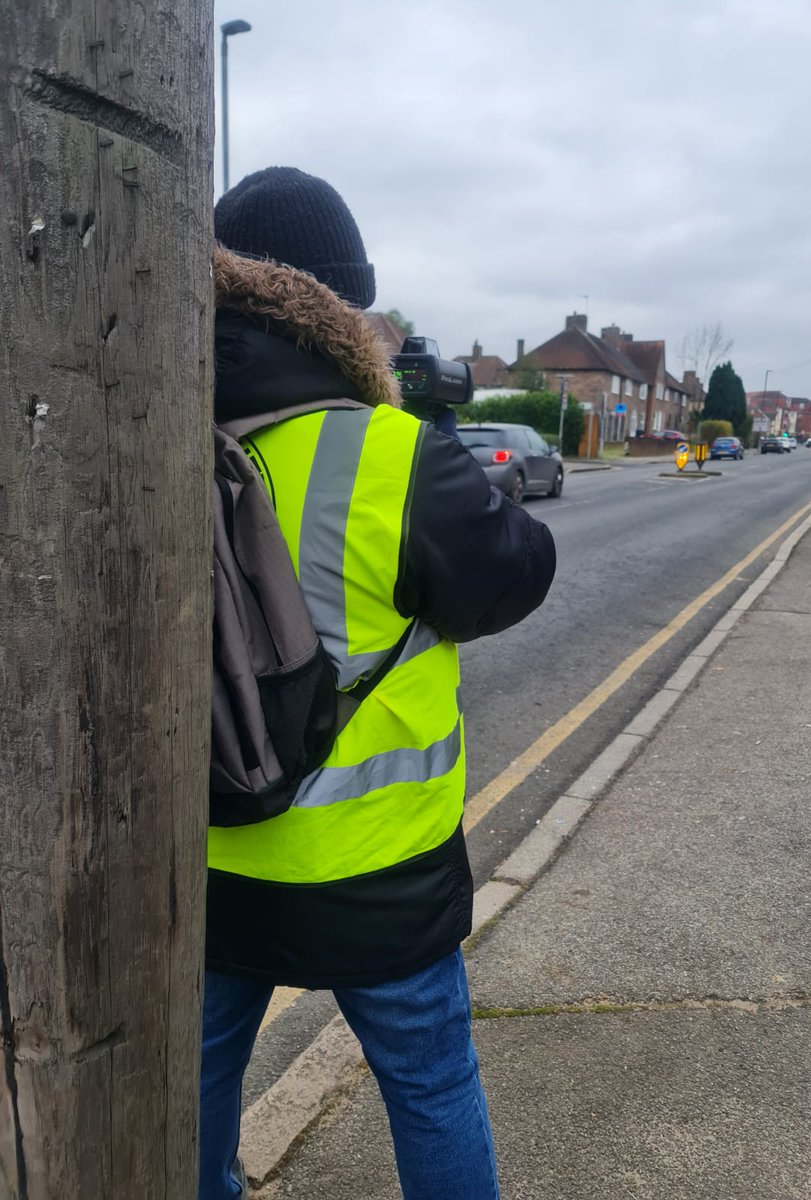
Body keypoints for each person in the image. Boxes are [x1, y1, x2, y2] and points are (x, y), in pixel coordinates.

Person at [202, 166, 556, 1200]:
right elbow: (514, 577)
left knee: (197, 1081)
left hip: (210, 857)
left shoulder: (141, 436)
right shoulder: (392, 453)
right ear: (341, 307)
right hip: (380, 875)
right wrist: (440, 442)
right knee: (431, 1087)